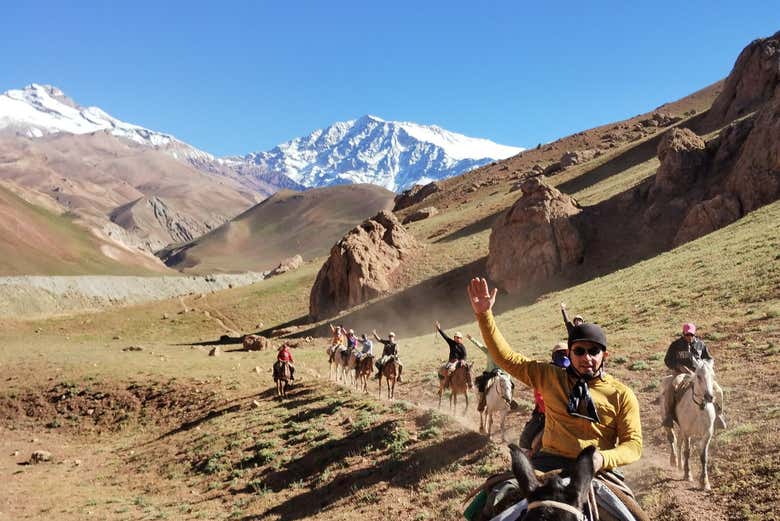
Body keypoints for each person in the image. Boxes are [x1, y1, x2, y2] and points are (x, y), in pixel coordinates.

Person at [468, 277, 642, 473]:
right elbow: (507, 358)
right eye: (579, 351)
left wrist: (602, 458)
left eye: (594, 351)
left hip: (596, 470)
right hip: (548, 464)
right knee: (500, 489)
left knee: (619, 499)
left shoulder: (621, 395)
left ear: (605, 355)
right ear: (569, 353)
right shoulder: (550, 376)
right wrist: (484, 315)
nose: (587, 357)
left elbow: (633, 445)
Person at [661, 323, 726, 429]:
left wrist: (706, 366)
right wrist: (678, 366)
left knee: (718, 391)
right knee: (671, 387)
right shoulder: (675, 345)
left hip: (698, 374)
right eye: (687, 334)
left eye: (691, 334)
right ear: (683, 334)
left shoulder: (700, 344)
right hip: (681, 373)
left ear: (694, 334)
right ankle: (669, 416)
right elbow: (667, 360)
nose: (689, 337)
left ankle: (719, 415)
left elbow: (709, 358)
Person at [517, 342, 570, 455]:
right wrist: (552, 411)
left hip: (568, 415)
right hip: (546, 415)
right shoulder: (545, 373)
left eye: (566, 353)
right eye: (561, 353)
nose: (564, 356)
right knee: (525, 440)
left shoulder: (574, 373)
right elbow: (540, 396)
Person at [466, 333, 503, 412]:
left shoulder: (500, 352)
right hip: (488, 373)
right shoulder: (488, 351)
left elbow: (504, 363)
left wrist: (499, 371)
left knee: (507, 383)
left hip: (497, 372)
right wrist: (471, 339)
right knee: (479, 383)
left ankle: (508, 399)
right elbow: (480, 345)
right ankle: (481, 401)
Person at [435, 321, 470, 389]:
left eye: (458, 337)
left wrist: (463, 360)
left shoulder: (462, 347)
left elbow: (464, 355)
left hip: (459, 362)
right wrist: (439, 329)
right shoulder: (452, 343)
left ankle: (469, 384)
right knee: (448, 370)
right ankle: (447, 384)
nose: (456, 338)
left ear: (461, 339)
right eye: (455, 337)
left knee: (468, 370)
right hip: (451, 361)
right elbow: (445, 337)